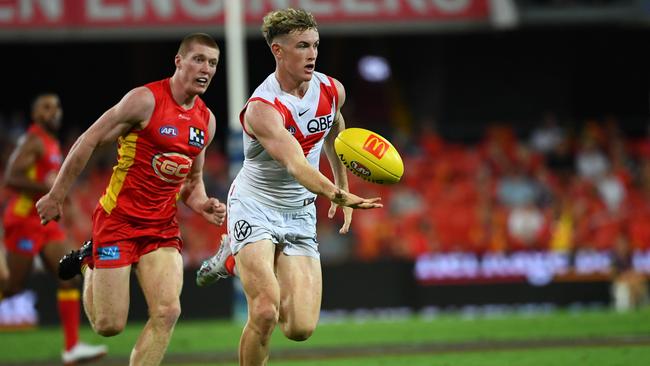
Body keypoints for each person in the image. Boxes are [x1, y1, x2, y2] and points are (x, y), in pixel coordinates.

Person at [196, 8, 382, 365]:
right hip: (254, 206)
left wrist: (341, 181)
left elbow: (334, 129)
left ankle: (231, 258)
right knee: (265, 311)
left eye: (314, 45)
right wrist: (338, 194)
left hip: (298, 212)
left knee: (299, 328)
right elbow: (296, 163)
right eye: (301, 46)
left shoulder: (331, 89)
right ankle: (237, 251)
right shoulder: (263, 108)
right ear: (278, 51)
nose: (312, 53)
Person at [36, 33, 227, 365]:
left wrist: (203, 203)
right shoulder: (145, 100)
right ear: (179, 61)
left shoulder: (205, 121)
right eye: (198, 59)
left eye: (212, 63)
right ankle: (89, 258)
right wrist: (56, 194)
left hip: (162, 228)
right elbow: (89, 140)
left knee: (168, 311)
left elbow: (192, 184)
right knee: (108, 326)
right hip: (118, 221)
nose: (206, 69)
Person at [1, 93, 107, 364]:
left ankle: (71, 348)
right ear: (36, 115)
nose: (54, 111)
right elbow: (12, 177)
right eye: (47, 108)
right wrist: (50, 189)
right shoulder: (34, 140)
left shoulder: (51, 143)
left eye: (57, 106)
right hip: (24, 221)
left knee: (68, 276)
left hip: (44, 223)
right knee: (12, 287)